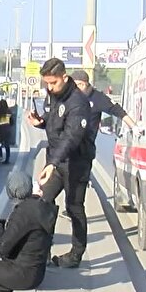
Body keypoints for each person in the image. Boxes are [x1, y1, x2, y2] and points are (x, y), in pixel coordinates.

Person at [25, 57, 90, 269]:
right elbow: (54, 122)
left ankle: (76, 254)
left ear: (64, 77)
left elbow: (71, 136)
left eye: (53, 83)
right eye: (47, 84)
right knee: (43, 201)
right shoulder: (54, 96)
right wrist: (41, 122)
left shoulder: (77, 102)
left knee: (74, 208)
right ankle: (41, 250)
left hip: (76, 162)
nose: (50, 88)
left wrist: (52, 163)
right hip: (56, 160)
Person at [70, 70, 138, 142]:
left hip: (86, 144)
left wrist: (134, 127)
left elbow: (118, 111)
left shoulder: (97, 98)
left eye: (77, 84)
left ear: (84, 84)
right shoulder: (68, 96)